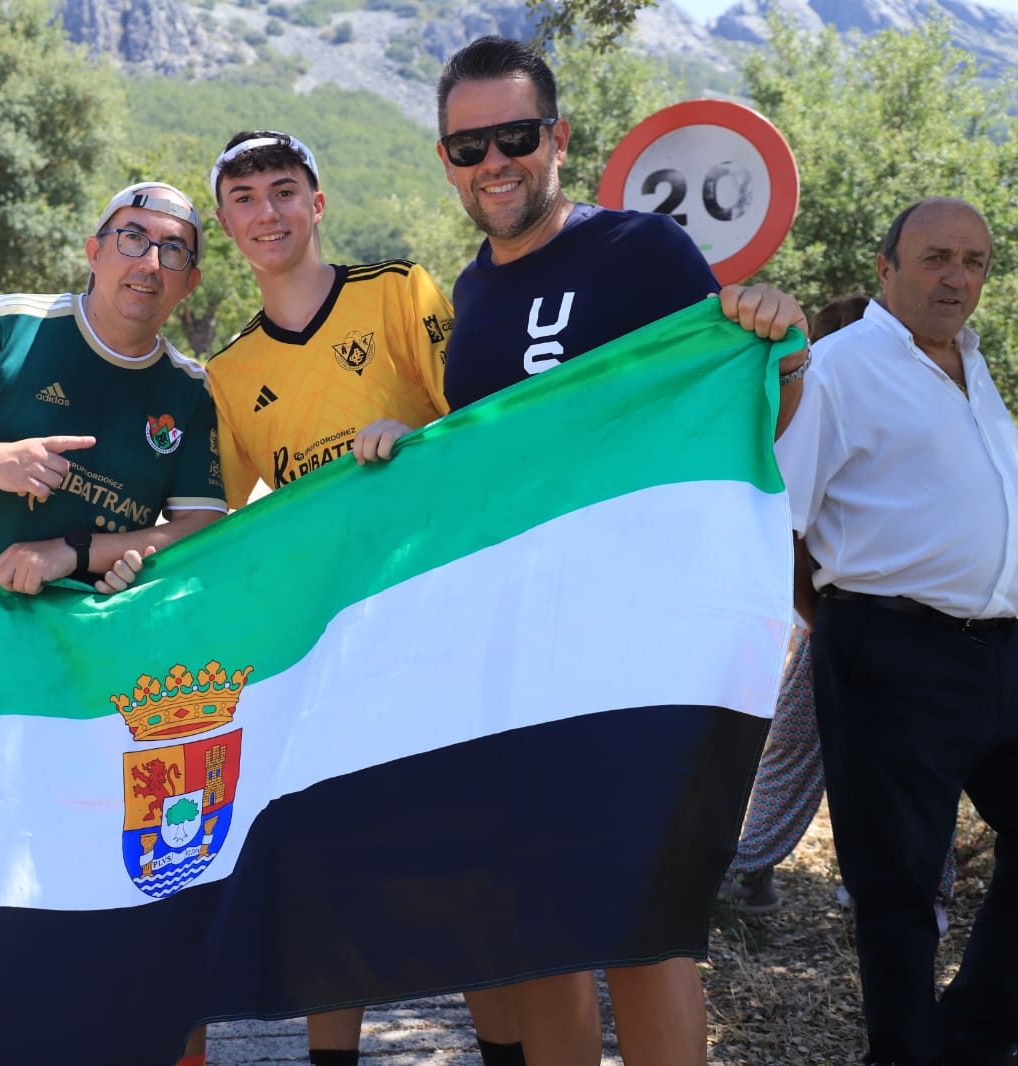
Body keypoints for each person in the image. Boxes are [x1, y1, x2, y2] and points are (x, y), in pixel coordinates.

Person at [432, 35, 810, 1066]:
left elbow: (743, 414)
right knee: (544, 926)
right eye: (468, 146)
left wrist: (778, 340)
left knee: (645, 930)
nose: (493, 162)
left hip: (636, 648)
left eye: (514, 136)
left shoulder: (637, 251)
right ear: (445, 161)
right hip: (513, 659)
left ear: (556, 138)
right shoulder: (465, 299)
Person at [0, 181, 229, 1066]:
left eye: (173, 250)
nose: (149, 261)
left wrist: (78, 549)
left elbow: (200, 532)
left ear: (191, 284)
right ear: (94, 251)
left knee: (111, 885)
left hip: (98, 683)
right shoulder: (9, 327)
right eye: (131, 239)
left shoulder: (188, 391)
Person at [196, 128, 536, 1066]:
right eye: (245, 198)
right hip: (332, 654)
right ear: (227, 223)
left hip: (444, 627)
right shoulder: (227, 373)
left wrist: (415, 441)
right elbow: (212, 530)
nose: (266, 211)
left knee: (468, 868)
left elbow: (485, 426)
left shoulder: (400, 292)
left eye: (282, 190)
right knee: (327, 875)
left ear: (317, 202)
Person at [775, 197, 1018, 1066]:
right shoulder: (836, 369)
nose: (957, 277)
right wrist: (836, 622)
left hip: (1000, 654)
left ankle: (977, 1033)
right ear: (886, 268)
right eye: (935, 258)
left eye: (975, 261)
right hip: (891, 654)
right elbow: (781, 516)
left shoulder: (973, 365)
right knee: (899, 895)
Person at [722, 295, 955, 928]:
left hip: (891, 625)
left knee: (907, 764)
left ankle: (906, 887)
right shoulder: (822, 400)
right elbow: (791, 526)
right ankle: (748, 871)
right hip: (842, 620)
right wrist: (820, 619)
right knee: (843, 755)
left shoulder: (912, 413)